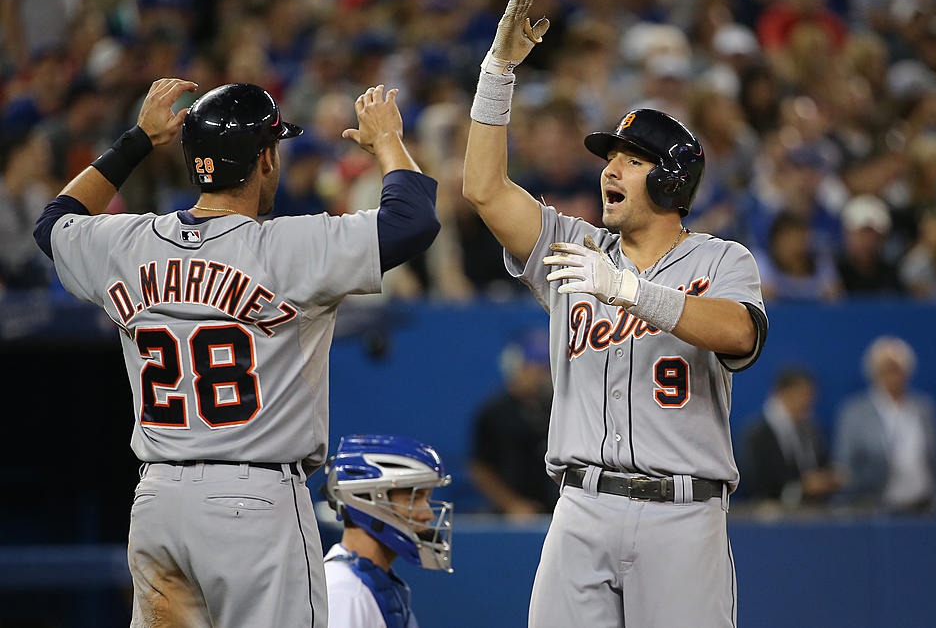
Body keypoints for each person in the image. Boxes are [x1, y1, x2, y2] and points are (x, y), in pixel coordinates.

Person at [32, 78, 441, 627]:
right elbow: (412, 221)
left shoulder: (126, 244)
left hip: (158, 502)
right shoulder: (287, 248)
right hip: (255, 501)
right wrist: (389, 141)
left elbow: (53, 222)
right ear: (266, 159)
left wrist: (137, 140)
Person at [462, 0, 768, 628]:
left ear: (671, 178)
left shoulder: (721, 260)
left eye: (631, 160)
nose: (610, 170)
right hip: (582, 505)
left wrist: (630, 291)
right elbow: (484, 190)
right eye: (612, 158)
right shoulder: (573, 246)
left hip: (682, 512)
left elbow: (739, 333)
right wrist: (498, 71)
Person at [322, 434, 453, 628]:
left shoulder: (374, 582)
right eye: (414, 498)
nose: (428, 514)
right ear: (365, 499)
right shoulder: (344, 592)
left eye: (426, 498)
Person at [833, 336, 936, 514]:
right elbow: (844, 465)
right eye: (886, 370)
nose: (893, 376)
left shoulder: (924, 408)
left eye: (897, 369)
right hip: (876, 508)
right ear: (874, 372)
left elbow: (935, 460)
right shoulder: (855, 412)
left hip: (923, 506)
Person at [469, 328, 558, 518]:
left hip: (557, 507)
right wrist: (512, 504)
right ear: (516, 367)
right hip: (511, 513)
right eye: (533, 367)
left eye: (545, 368)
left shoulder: (556, 408)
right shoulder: (495, 412)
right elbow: (480, 468)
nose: (540, 375)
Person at [737, 367, 840, 510]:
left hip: (813, 513)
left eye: (809, 395)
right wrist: (802, 487)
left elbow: (822, 465)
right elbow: (757, 484)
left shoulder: (811, 431)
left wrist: (828, 479)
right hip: (772, 517)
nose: (806, 401)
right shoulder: (757, 434)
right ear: (782, 393)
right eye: (801, 394)